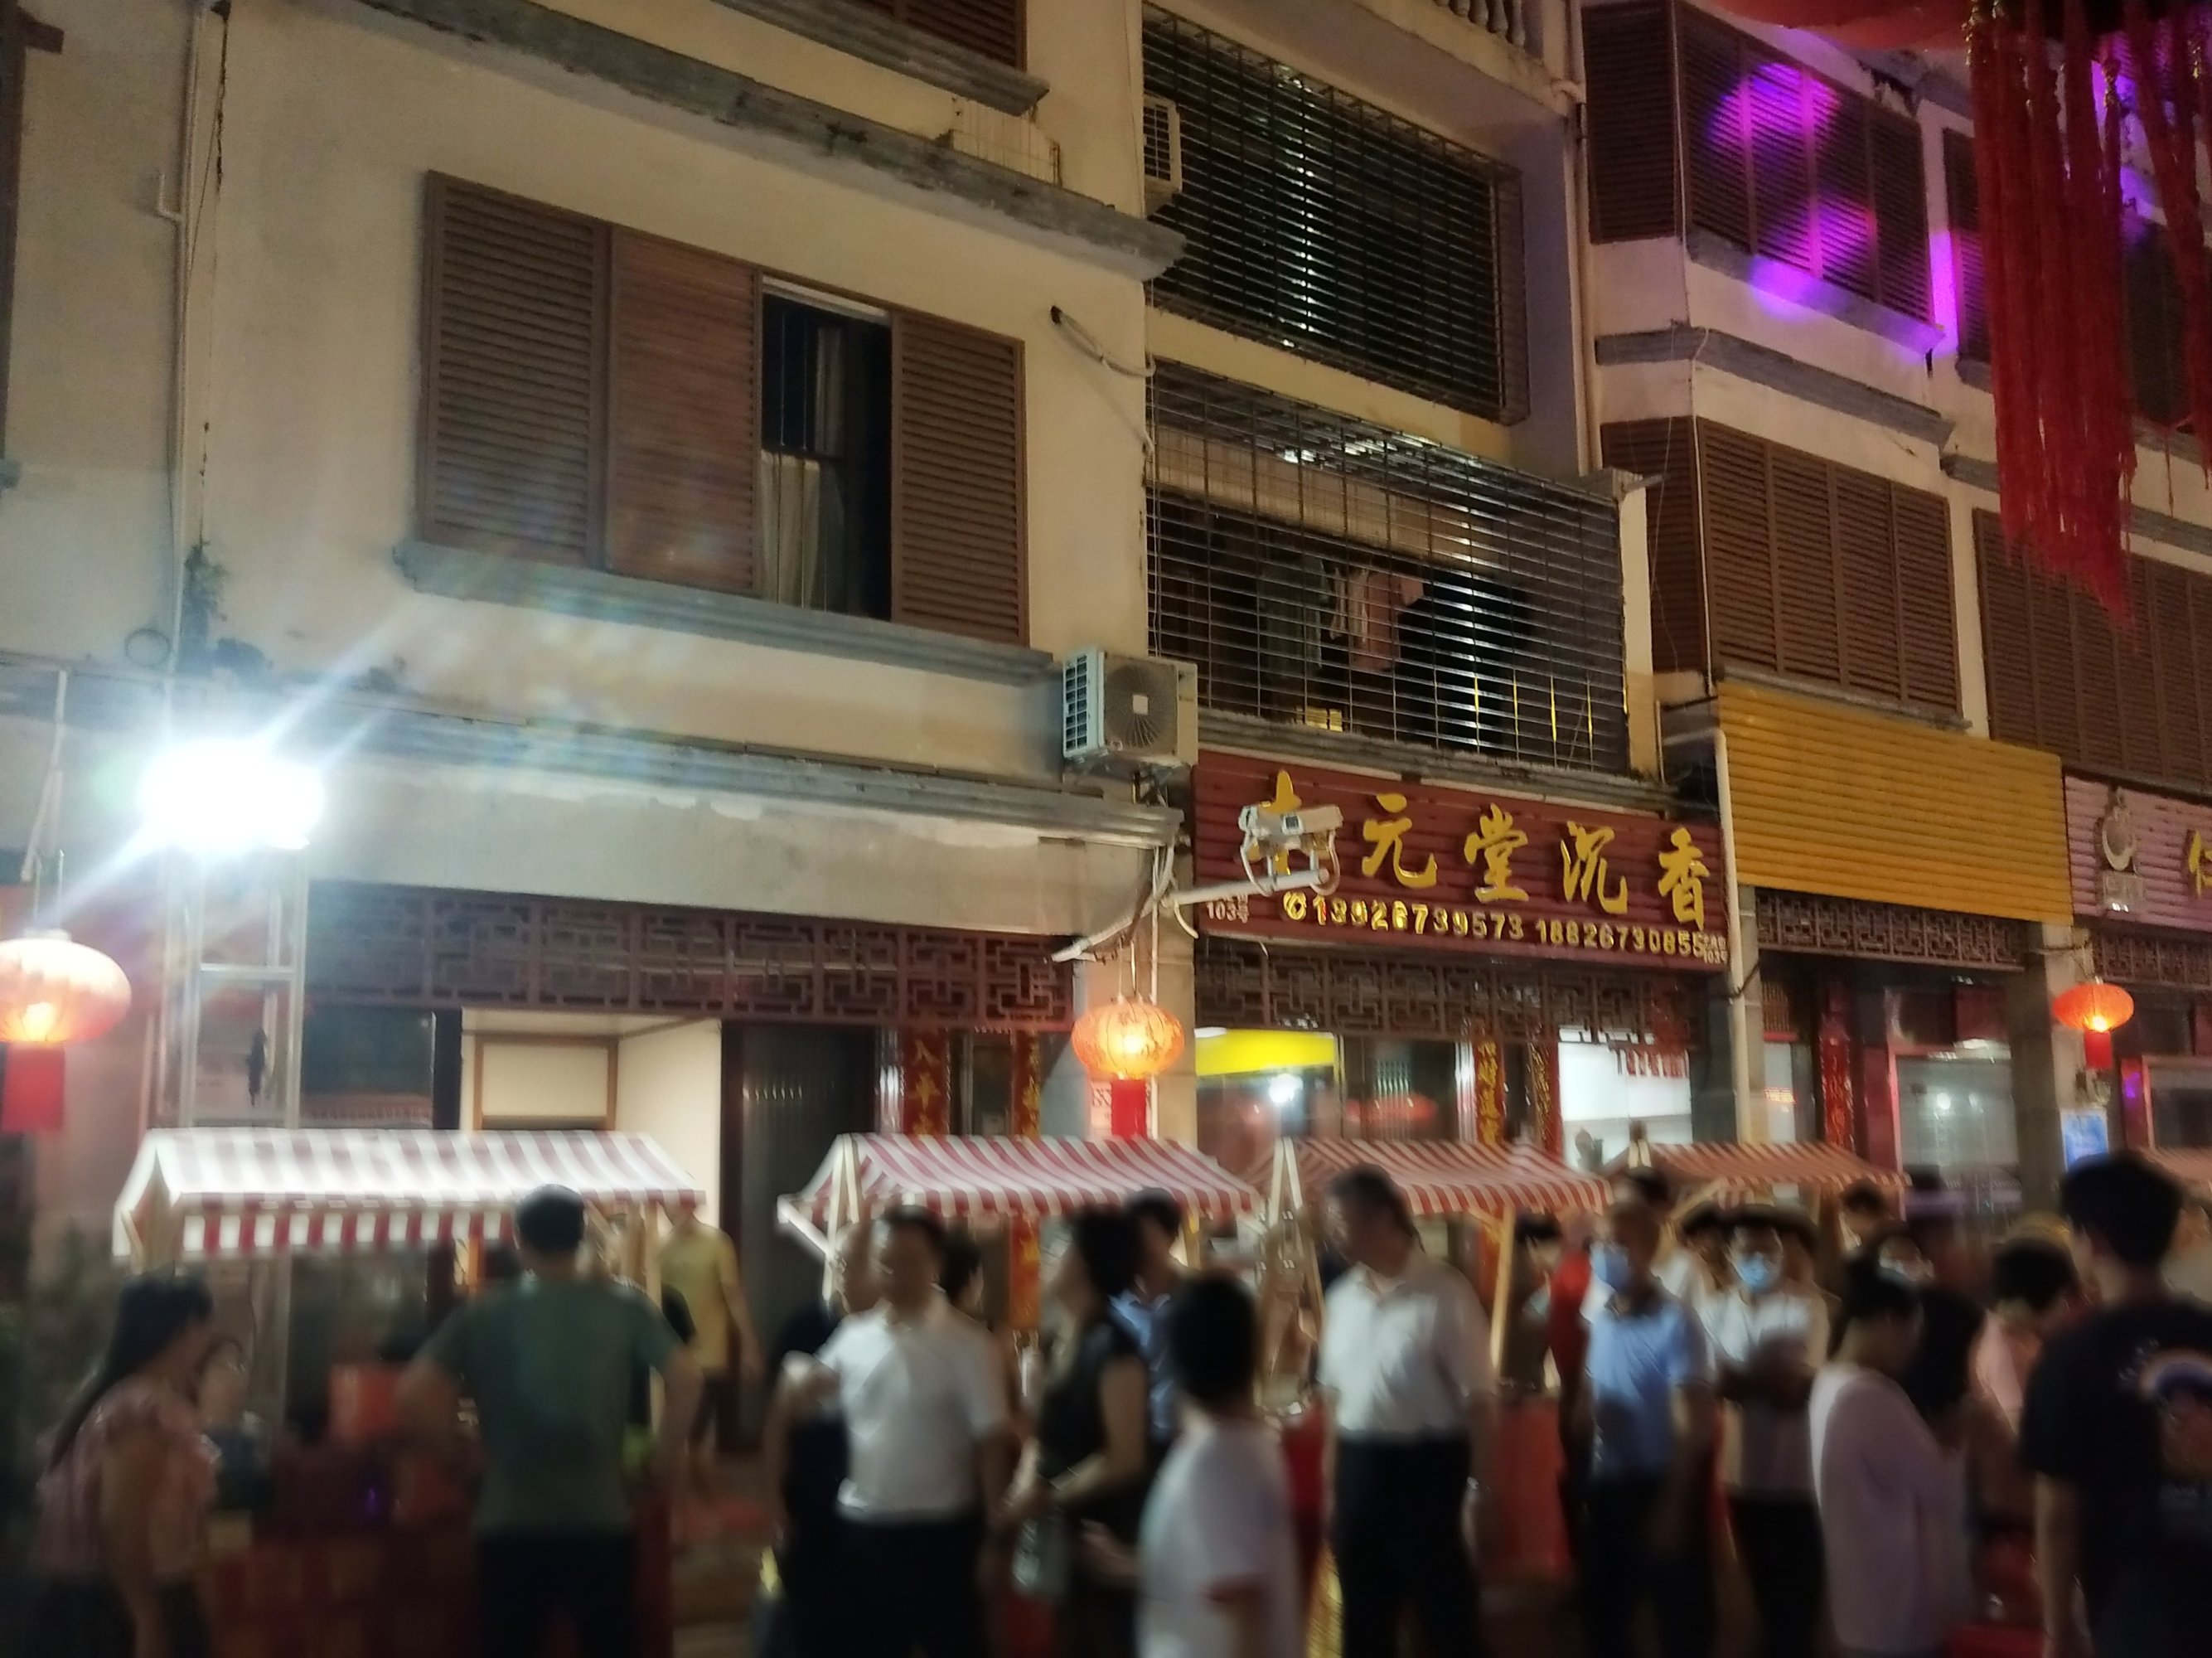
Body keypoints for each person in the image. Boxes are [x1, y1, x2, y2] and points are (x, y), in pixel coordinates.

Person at [399, 1185, 704, 1658]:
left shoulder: (484, 1310)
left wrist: (456, 1460)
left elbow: (412, 1393)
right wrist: (659, 1465)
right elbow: (687, 1380)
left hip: (508, 1519)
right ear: (581, 1236)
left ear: (519, 1239)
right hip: (600, 1517)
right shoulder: (622, 1306)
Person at [769, 1206, 1013, 1658]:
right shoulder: (853, 1336)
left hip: (943, 1536)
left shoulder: (969, 1346)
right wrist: (794, 1379)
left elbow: (992, 1446)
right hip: (864, 1533)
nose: (895, 1274)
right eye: (885, 1262)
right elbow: (803, 1403)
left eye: (909, 1262)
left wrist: (996, 1540)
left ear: (935, 1263)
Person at [2021, 1154, 2212, 1658]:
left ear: (2094, 1241)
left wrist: (2058, 1632)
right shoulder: (2207, 1332)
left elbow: (2057, 1513)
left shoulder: (2071, 1359)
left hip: (2139, 1606)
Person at [1079, 1274, 1301, 1658]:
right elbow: (1217, 1568)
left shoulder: (1217, 1460)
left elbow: (1243, 1612)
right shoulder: (1237, 1447)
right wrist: (1133, 1565)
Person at [1319, 1166, 1492, 1658]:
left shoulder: (1444, 1292)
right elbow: (1333, 1400)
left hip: (1426, 1475)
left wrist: (1481, 1492)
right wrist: (1332, 1486)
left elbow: (1480, 1403)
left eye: (1341, 1222)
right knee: (1364, 1622)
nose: (1333, 1235)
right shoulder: (1342, 1298)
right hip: (1360, 1473)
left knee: (1446, 1621)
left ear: (1381, 1218)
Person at [26, 1274, 220, 1658]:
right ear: (187, 1328)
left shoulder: (107, 1398)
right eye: (206, 1326)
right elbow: (121, 1522)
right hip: (117, 1607)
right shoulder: (143, 1412)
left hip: (81, 1600)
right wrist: (145, 1615)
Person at [1001, 1210, 1150, 1658]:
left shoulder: (1115, 1348)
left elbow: (1124, 1457)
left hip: (1102, 1540)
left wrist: (1048, 1496)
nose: (1045, 1256)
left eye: (1057, 1246)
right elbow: (1046, 1436)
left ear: (1084, 1260)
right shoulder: (1059, 1338)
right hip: (1063, 1539)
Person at [1578, 1194, 1717, 1658]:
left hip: (1659, 1485)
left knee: (1679, 1623)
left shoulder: (1676, 1322)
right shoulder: (1603, 1317)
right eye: (1600, 1243)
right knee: (1606, 1620)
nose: (1605, 1253)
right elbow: (1589, 1395)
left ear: (1647, 1250)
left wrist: (1673, 1505)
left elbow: (1693, 1423)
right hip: (1608, 1486)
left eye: (1617, 1244)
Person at [1810, 1261, 1967, 1658]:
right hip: (1893, 1594)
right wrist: (1962, 1435)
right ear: (1888, 1322)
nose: (1913, 1351)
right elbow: (1935, 1480)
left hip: (1857, 1586)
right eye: (1912, 1335)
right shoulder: (1871, 1395)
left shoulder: (1828, 1381)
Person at [1706, 1207, 1828, 1658]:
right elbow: (1711, 1384)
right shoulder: (1715, 1309)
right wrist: (1763, 1379)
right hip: (1742, 1473)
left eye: (1768, 1251)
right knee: (1760, 1578)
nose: (1759, 1260)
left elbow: (1795, 1389)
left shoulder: (1806, 1306)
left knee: (1801, 1586)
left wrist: (1742, 1381)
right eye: (1748, 1252)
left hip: (1798, 1474)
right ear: (1730, 1256)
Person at [758, 1224, 877, 1658]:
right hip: (812, 1510)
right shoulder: (806, 1327)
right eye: (838, 1261)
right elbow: (776, 1425)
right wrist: (775, 1505)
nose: (843, 1272)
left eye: (855, 1263)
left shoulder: (896, 1337)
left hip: (875, 1517)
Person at [656, 1204, 762, 1487]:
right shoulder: (661, 1246)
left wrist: (749, 1347)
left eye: (675, 1203)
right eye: (665, 1204)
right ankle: (687, 1504)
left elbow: (733, 1296)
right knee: (677, 1440)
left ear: (690, 1204)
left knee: (698, 1443)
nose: (669, 1210)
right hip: (673, 1353)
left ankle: (709, 1501)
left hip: (710, 1353)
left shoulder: (716, 1243)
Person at [1115, 1189, 1188, 1460]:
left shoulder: (1191, 1298)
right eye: (1134, 1236)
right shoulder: (1117, 1304)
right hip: (1133, 1433)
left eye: (1148, 1234)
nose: (1141, 1246)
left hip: (1183, 1433)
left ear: (1171, 1237)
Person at [195, 1336, 270, 1513]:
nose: (234, 1375)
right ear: (196, 1379)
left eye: (239, 1366)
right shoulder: (188, 1439)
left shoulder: (255, 1431)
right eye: (222, 1367)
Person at [1500, 1214, 1565, 1395]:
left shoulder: (1558, 1284)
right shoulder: (1553, 1284)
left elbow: (1531, 1321)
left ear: (1531, 1245)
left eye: (1520, 1255)